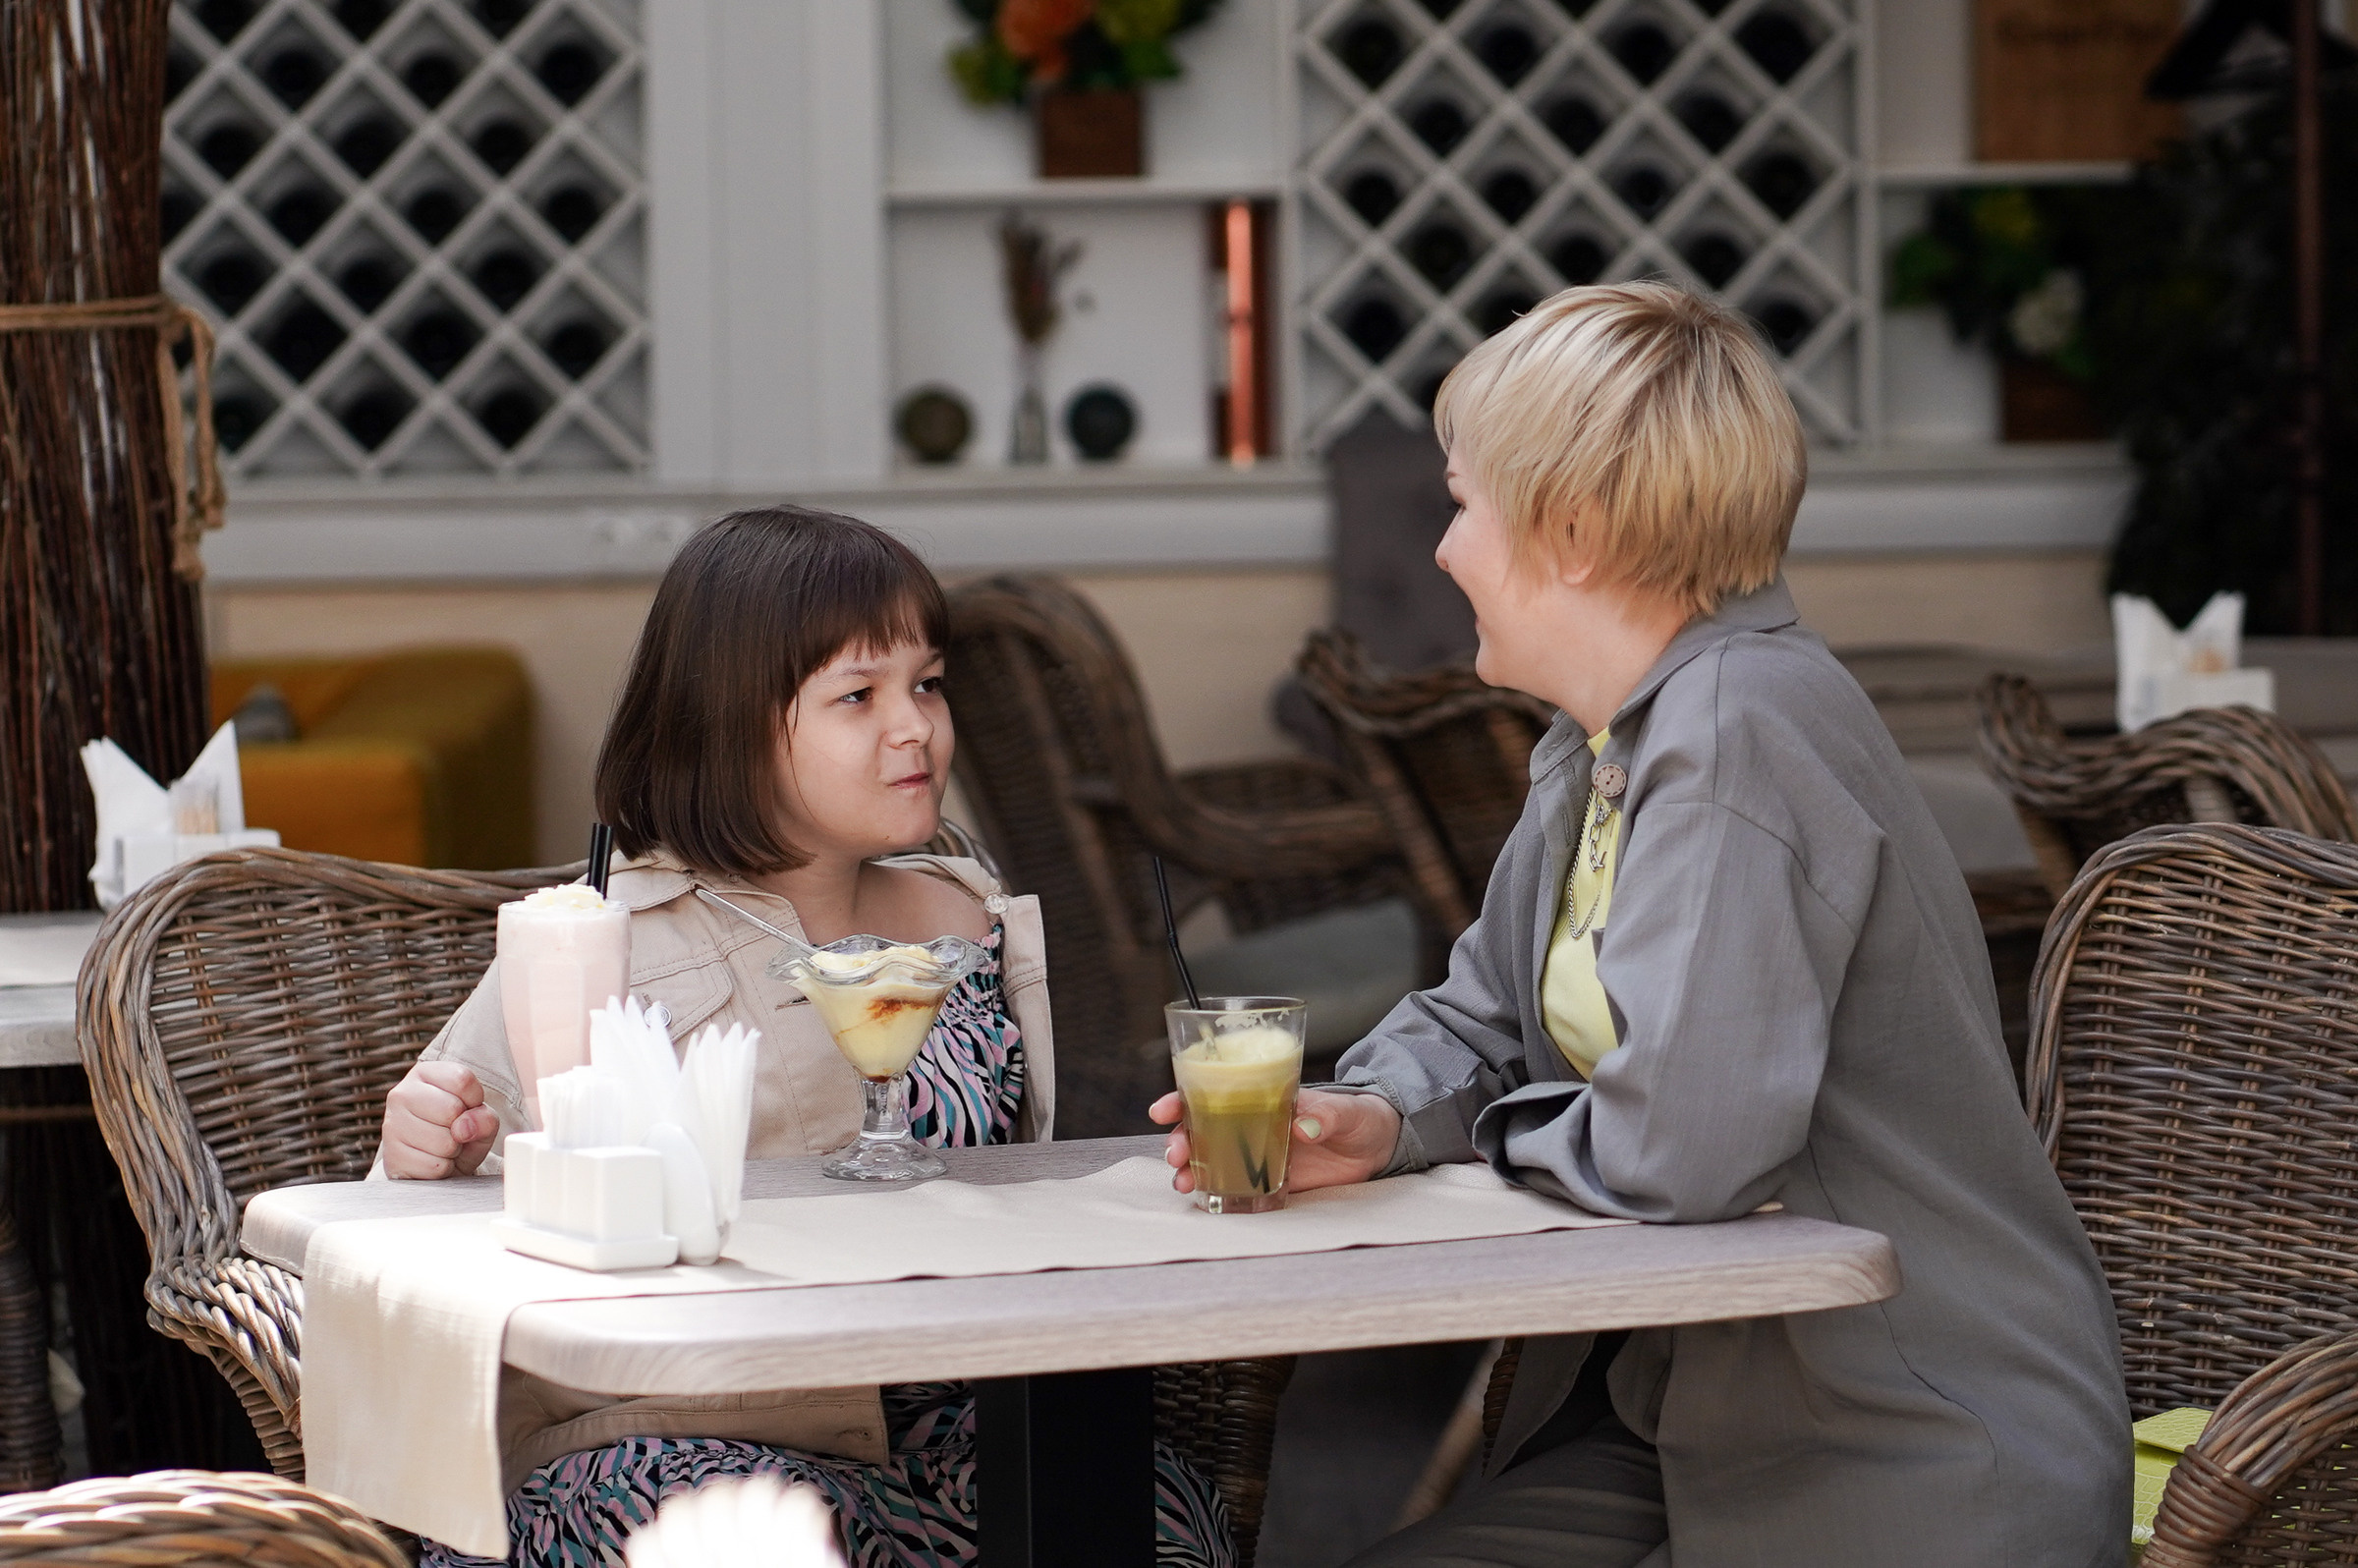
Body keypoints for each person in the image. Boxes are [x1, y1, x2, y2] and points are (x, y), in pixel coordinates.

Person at [1153, 283, 2130, 1567]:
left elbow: (1684, 1153)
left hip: (1911, 1447)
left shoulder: (1737, 735)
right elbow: (1479, 1015)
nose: (1445, 551)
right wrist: (1382, 1122)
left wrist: (1477, 1138)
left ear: (1570, 532)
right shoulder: (1607, 735)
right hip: (1696, 1421)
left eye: (1463, 505)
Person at [380, 506, 1235, 1568]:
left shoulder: (969, 914)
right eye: (857, 697)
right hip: (684, 1427)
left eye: (926, 684)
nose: (915, 726)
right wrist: (429, 1151)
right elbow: (423, 1205)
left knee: (1153, 1520)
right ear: (730, 723)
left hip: (955, 1410)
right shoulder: (603, 938)